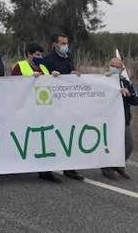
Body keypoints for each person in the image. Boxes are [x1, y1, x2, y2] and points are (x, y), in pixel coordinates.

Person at [12, 43, 63, 183]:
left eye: (41, 55)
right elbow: (12, 86)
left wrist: (55, 77)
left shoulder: (44, 68)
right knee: (25, 139)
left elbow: (50, 86)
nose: (39, 57)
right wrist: (28, 79)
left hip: (42, 109)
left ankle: (45, 170)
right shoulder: (20, 66)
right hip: (26, 110)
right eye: (36, 55)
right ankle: (16, 164)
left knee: (44, 139)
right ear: (29, 54)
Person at [43, 34, 84, 181]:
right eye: (62, 43)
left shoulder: (69, 57)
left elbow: (69, 75)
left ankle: (69, 168)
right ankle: (46, 169)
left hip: (67, 103)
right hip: (52, 104)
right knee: (51, 136)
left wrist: (74, 75)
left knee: (69, 136)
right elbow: (43, 79)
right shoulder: (48, 59)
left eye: (66, 43)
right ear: (55, 44)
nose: (65, 45)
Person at [102, 57, 138, 180]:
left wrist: (129, 93)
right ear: (108, 65)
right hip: (109, 119)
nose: (114, 68)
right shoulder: (101, 80)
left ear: (122, 68)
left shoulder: (126, 82)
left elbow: (135, 101)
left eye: (117, 66)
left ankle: (118, 164)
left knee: (129, 145)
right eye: (112, 65)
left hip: (124, 118)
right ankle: (107, 168)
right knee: (110, 145)